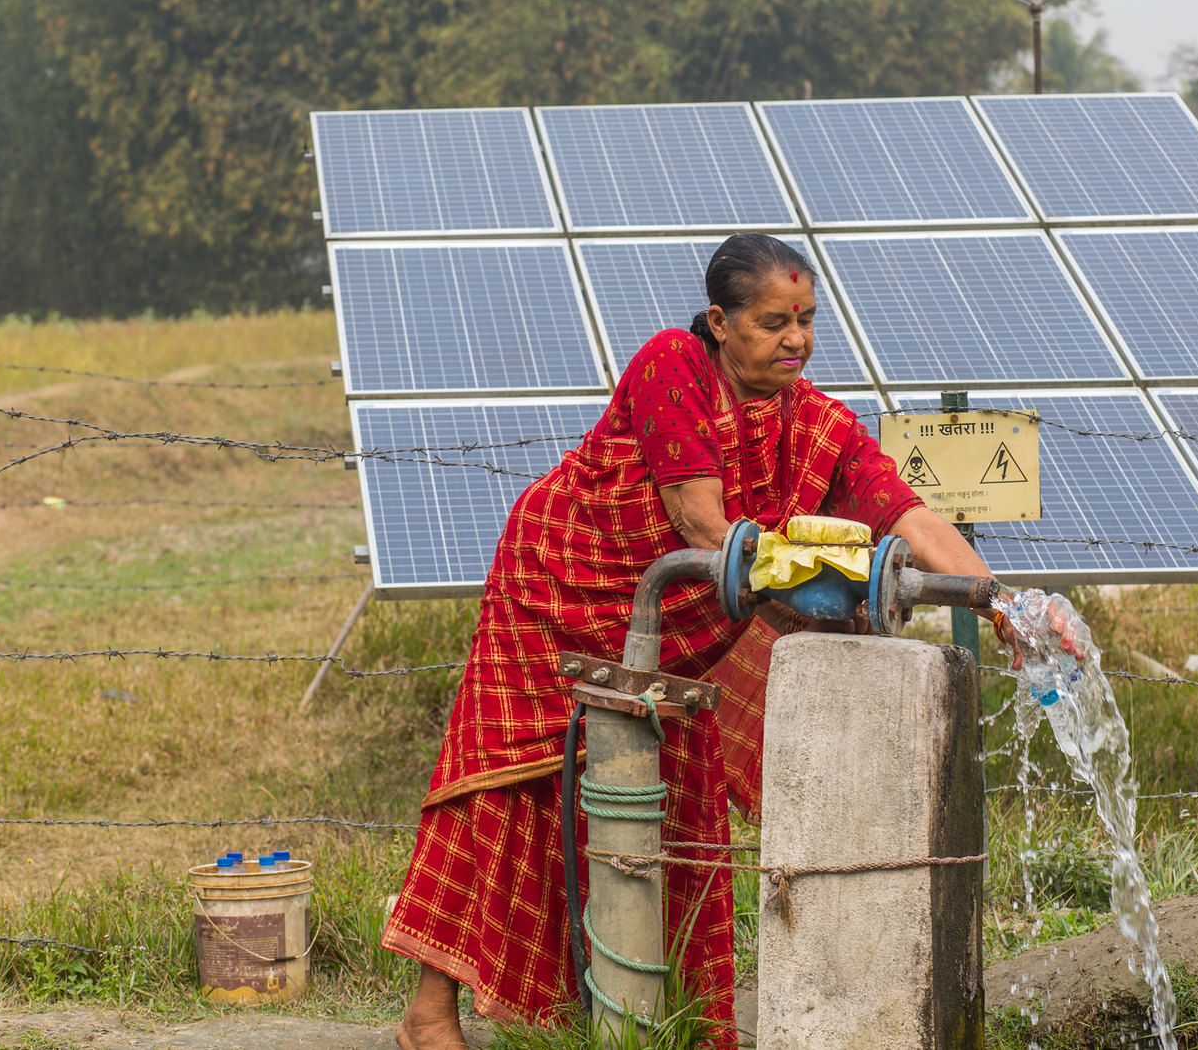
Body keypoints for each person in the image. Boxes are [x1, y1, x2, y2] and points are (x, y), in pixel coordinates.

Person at [383, 233, 1019, 1049]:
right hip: (558, 587)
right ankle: (429, 1015)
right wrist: (797, 576)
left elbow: (908, 514)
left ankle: (663, 1018)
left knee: (676, 803)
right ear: (719, 321)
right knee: (511, 786)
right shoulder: (670, 368)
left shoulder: (813, 421)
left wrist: (1000, 598)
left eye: (807, 319)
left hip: (675, 625)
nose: (797, 339)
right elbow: (701, 522)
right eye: (772, 321)